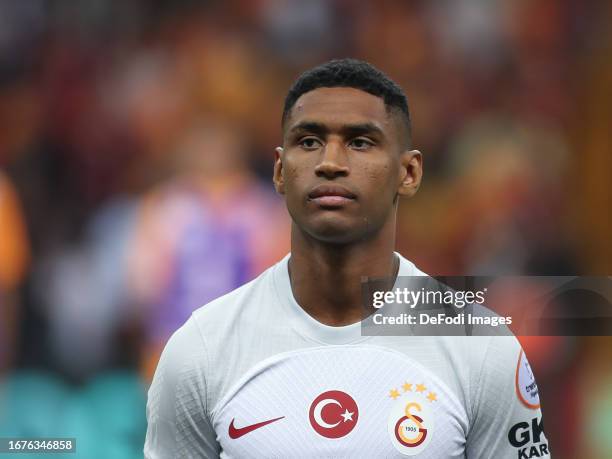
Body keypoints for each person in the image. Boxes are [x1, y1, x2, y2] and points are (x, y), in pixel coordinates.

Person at [144, 59, 550, 458]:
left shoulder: (479, 348)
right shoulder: (201, 350)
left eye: (360, 142)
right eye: (309, 141)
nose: (331, 163)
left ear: (408, 173)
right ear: (281, 171)